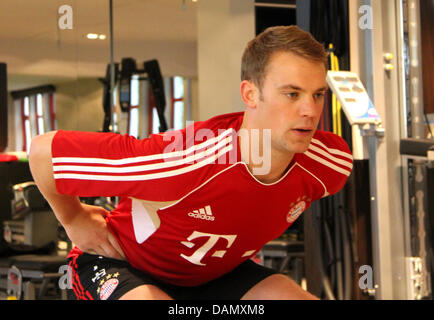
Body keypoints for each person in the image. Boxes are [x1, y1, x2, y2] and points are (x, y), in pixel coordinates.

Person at [29, 25, 353, 300]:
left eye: (318, 95)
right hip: (123, 265)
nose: (310, 111)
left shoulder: (329, 163)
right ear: (251, 94)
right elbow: (44, 152)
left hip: (211, 277)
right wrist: (74, 218)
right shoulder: (185, 159)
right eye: (292, 94)